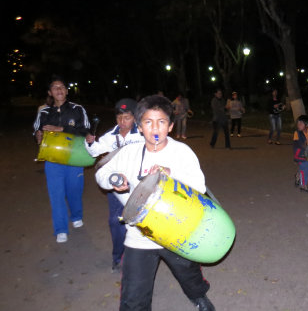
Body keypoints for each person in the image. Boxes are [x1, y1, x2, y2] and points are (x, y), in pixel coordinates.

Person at [95, 95, 215, 311]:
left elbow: (199, 185)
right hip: (140, 233)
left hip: (175, 228)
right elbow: (102, 174)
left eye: (161, 122)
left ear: (170, 126)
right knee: (133, 298)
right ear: (140, 127)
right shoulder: (129, 153)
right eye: (148, 122)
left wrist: (171, 174)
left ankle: (198, 296)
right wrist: (114, 180)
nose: (155, 128)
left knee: (188, 271)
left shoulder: (182, 152)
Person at [85, 98, 144, 272]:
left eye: (127, 117)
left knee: (142, 220)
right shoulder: (112, 134)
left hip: (139, 183)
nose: (122, 122)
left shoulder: (142, 132)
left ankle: (142, 257)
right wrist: (90, 142)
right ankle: (118, 257)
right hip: (117, 183)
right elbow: (95, 150)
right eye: (119, 117)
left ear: (135, 117)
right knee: (116, 221)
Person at [33, 76, 90, 243]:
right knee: (56, 194)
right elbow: (36, 131)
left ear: (66, 91)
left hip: (74, 157)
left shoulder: (77, 109)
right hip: (52, 159)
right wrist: (38, 136)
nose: (59, 90)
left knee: (74, 190)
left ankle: (76, 215)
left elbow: (86, 131)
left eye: (62, 87)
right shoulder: (44, 112)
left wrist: (62, 129)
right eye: (55, 88)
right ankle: (61, 228)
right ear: (50, 92)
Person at [293, 115, 308, 193]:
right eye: (298, 123)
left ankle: (298, 175)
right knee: (304, 170)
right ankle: (303, 186)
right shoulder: (297, 133)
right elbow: (300, 144)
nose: (298, 125)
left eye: (301, 123)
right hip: (300, 154)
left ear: (306, 125)